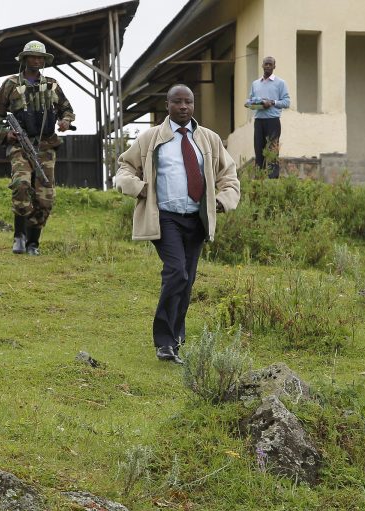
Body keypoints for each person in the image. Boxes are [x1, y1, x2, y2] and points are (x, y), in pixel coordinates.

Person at [115, 84, 240, 364]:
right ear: (167, 104)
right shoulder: (151, 138)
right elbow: (125, 166)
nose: (183, 107)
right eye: (177, 102)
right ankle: (163, 341)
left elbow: (228, 174)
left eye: (189, 102)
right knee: (177, 273)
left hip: (196, 218)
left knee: (188, 280)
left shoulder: (208, 139)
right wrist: (138, 187)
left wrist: (223, 199)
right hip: (165, 216)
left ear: (194, 105)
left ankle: (175, 340)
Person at [0, 40, 75, 256]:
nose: (37, 61)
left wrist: (65, 121)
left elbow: (67, 110)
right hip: (20, 143)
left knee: (45, 197)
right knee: (21, 184)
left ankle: (33, 242)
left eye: (41, 58)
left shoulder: (53, 84)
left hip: (46, 145)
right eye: (33, 57)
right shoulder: (10, 84)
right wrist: (4, 134)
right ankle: (19, 235)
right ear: (24, 59)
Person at [245, 56, 290, 178]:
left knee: (272, 152)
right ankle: (259, 178)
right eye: (266, 64)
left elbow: (286, 102)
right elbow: (250, 102)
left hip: (273, 121)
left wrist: (272, 102)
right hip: (259, 121)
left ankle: (273, 180)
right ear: (262, 65)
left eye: (270, 64)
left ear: (274, 66)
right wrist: (256, 104)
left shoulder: (280, 83)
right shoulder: (255, 84)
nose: (268, 66)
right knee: (259, 151)